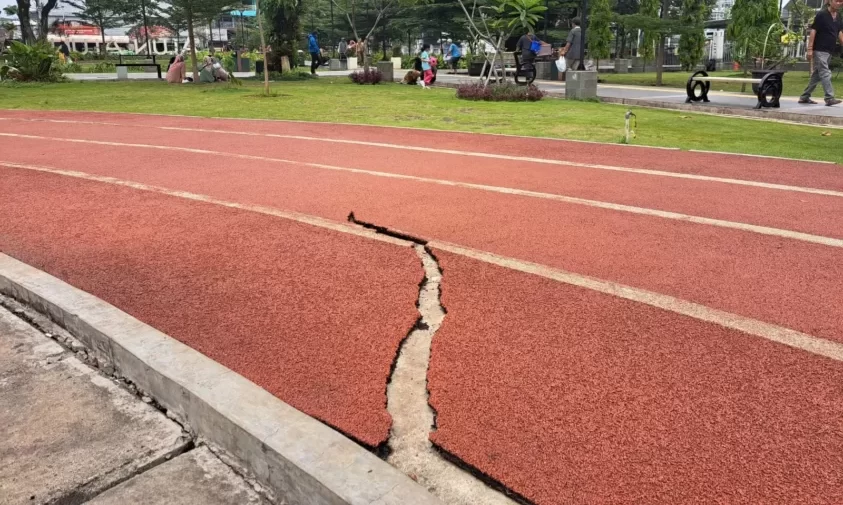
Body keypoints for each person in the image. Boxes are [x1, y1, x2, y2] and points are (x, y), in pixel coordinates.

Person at [800, 0, 843, 106]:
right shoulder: (822, 15)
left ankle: (804, 96)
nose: (839, 3)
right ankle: (829, 98)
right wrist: (810, 49)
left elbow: (839, 32)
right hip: (819, 49)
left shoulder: (838, 16)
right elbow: (813, 31)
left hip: (829, 50)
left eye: (841, 1)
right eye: (836, 1)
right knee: (825, 72)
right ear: (830, 1)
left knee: (817, 75)